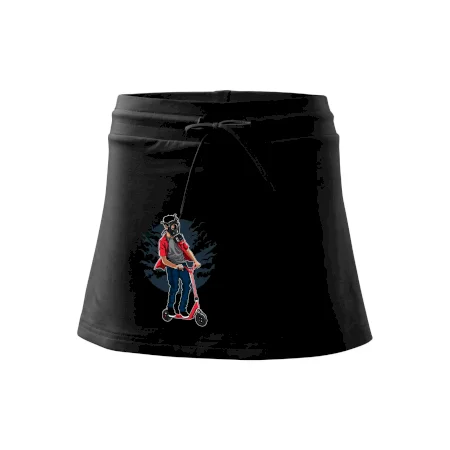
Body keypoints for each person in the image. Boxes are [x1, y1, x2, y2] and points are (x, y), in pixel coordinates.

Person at [154, 214, 201, 317]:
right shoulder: (162, 241)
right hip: (172, 266)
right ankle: (170, 308)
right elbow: (164, 260)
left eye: (175, 225)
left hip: (183, 264)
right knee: (174, 287)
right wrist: (175, 266)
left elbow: (187, 250)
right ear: (166, 226)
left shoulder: (179, 237)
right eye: (172, 226)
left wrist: (195, 261)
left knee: (187, 286)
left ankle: (182, 309)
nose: (174, 227)